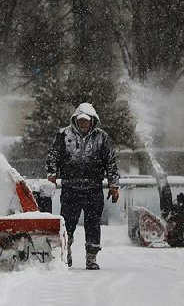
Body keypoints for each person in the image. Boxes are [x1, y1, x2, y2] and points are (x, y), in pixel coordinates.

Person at [46, 102, 120, 270]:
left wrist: (114, 186)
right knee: (68, 223)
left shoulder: (102, 138)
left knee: (93, 224)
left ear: (93, 120)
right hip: (70, 188)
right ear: (75, 120)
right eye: (80, 120)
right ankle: (66, 253)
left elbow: (111, 163)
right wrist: (51, 177)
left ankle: (91, 258)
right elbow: (53, 157)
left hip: (94, 189)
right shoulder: (63, 135)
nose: (83, 123)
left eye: (86, 120)